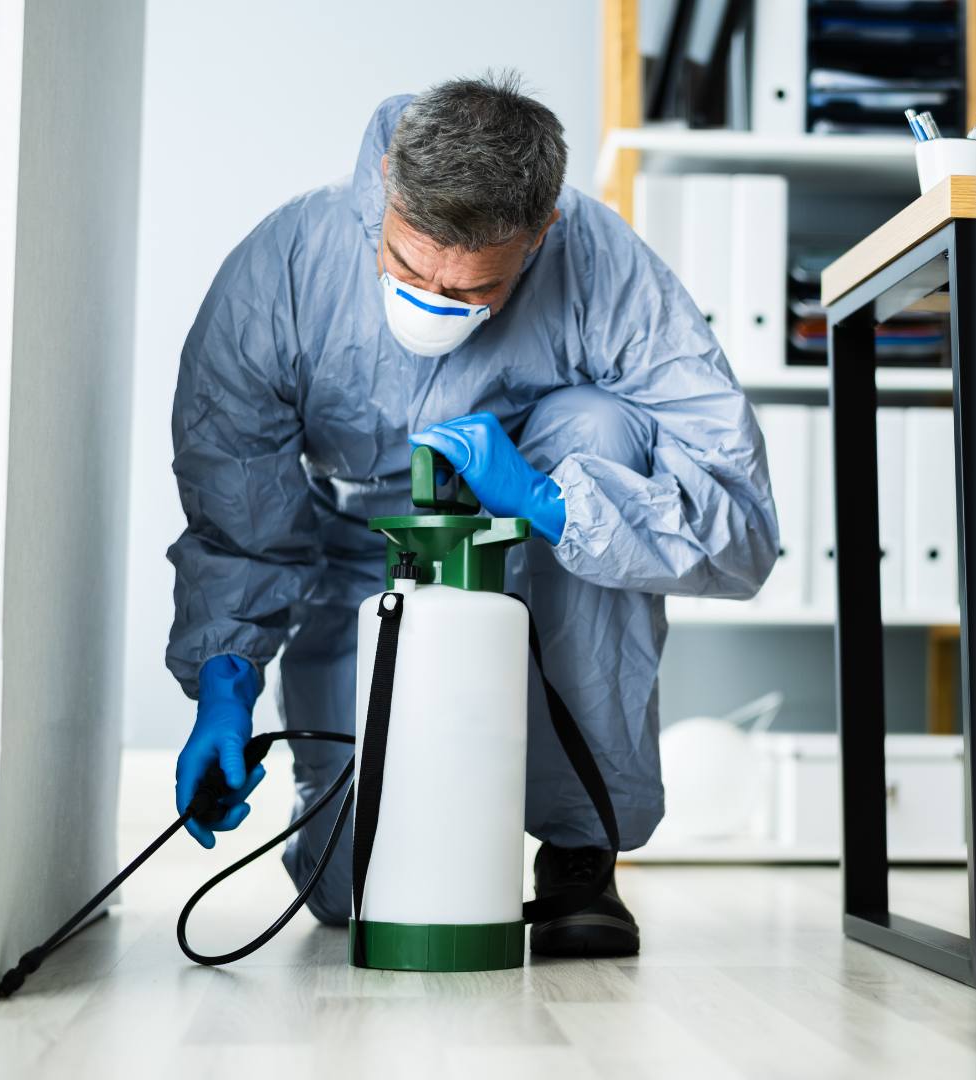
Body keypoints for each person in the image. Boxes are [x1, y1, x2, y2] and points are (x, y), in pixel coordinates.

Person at [165, 73, 776, 957]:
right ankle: (337, 829)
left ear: (540, 237)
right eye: (409, 266)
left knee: (596, 424)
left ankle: (576, 853)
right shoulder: (281, 272)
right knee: (353, 889)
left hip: (525, 548)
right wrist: (225, 689)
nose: (432, 301)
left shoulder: (599, 263)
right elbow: (238, 512)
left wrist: (551, 500)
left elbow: (740, 519)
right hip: (360, 562)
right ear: (385, 184)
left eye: (472, 292)